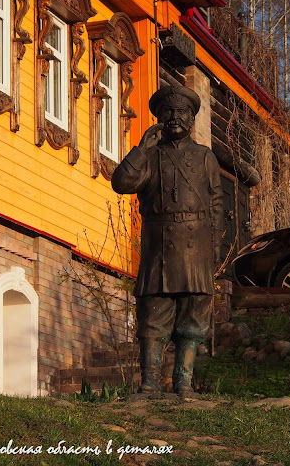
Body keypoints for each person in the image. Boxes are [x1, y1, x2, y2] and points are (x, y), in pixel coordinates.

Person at [111, 86, 223, 396]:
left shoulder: (205, 157)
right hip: (159, 246)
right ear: (159, 119)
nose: (174, 117)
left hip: (196, 246)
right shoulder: (149, 156)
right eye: (168, 112)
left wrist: (213, 249)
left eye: (181, 112)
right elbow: (121, 183)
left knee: (192, 317)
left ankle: (183, 382)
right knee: (153, 316)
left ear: (192, 118)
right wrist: (140, 148)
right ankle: (149, 383)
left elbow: (216, 206)